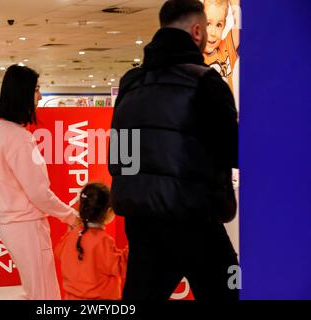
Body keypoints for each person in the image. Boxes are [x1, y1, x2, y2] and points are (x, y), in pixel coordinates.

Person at [108, 0, 239, 301]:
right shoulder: (206, 82)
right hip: (196, 221)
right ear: (196, 31)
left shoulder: (131, 84)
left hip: (142, 223)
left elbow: (120, 156)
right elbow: (232, 150)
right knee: (233, 291)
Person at [0, 65, 79, 300]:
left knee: (35, 291)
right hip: (26, 226)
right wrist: (71, 216)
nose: (40, 96)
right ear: (23, 92)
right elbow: (39, 193)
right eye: (36, 89)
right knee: (45, 295)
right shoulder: (19, 138)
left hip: (12, 225)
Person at [55, 183, 129, 300]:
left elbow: (59, 252)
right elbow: (119, 267)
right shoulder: (102, 240)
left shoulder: (72, 235)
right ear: (109, 211)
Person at [203, 0, 240, 92]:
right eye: (208, 24)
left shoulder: (226, 48)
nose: (213, 33)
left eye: (219, 25)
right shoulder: (194, 54)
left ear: (224, 27)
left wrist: (234, 4)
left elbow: (239, 24)